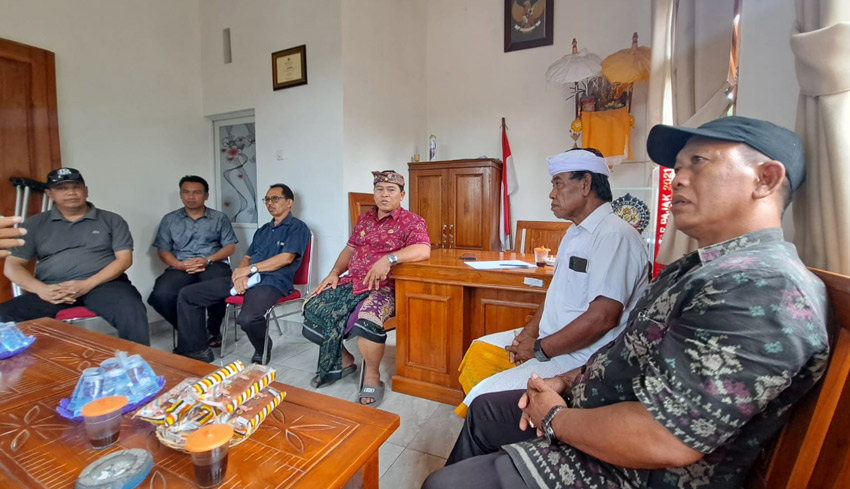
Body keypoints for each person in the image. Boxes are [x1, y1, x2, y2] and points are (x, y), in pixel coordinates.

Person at [422, 116, 829, 489]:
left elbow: (665, 438)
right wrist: (566, 380)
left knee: (444, 483)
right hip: (592, 398)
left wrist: (553, 415)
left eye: (699, 162)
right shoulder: (698, 266)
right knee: (485, 411)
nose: (678, 179)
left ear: (765, 178)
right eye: (679, 167)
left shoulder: (759, 287)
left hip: (630, 470)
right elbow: (627, 346)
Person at [455, 148, 649, 417]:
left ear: (585, 184)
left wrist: (538, 350)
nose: (551, 193)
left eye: (558, 183)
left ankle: (494, 429)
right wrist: (529, 333)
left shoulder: (615, 236)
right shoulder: (575, 232)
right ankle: (497, 429)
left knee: (485, 399)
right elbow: (555, 293)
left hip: (579, 357)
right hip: (550, 343)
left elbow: (603, 318)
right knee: (479, 350)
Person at [303, 170, 430, 406]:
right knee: (314, 304)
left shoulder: (413, 221)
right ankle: (343, 360)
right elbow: (350, 250)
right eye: (379, 189)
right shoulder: (364, 219)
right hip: (352, 281)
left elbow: (423, 250)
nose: (384, 195)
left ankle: (372, 374)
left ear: (401, 195)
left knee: (367, 319)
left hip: (385, 288)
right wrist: (333, 273)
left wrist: (389, 259)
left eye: (391, 190)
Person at [0, 168, 150, 345]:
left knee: (131, 308)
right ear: (50, 194)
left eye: (76, 187)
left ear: (85, 190)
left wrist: (87, 284)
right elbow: (12, 266)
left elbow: (124, 259)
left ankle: (141, 363)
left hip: (103, 284)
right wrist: (42, 290)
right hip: (53, 289)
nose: (71, 192)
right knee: (5, 314)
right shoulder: (34, 224)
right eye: (62, 188)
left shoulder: (111, 220)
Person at [173, 183, 309, 364]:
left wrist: (250, 270)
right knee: (188, 294)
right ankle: (196, 348)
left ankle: (262, 347)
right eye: (267, 199)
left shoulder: (297, 227)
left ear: (289, 202)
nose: (270, 203)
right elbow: (246, 257)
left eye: (275, 198)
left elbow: (285, 258)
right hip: (247, 278)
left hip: (272, 282)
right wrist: (241, 275)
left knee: (247, 318)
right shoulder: (263, 231)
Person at [148, 175, 237, 347]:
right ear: (181, 195)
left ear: (206, 196)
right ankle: (193, 332)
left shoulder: (219, 218)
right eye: (186, 192)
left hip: (212, 263)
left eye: (196, 192)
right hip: (180, 266)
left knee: (221, 286)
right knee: (161, 296)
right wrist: (178, 265)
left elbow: (229, 247)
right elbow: (163, 250)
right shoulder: (169, 219)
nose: (191, 197)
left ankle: (213, 330)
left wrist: (207, 260)